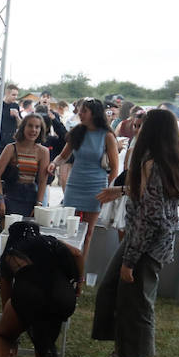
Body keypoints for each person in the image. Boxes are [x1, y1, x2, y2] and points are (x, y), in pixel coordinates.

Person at [92, 107, 179, 357]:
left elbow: (151, 215)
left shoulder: (154, 163)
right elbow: (151, 197)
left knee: (137, 302)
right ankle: (125, 351)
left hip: (147, 243)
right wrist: (122, 190)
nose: (138, 127)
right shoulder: (162, 158)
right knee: (111, 289)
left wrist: (130, 259)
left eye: (144, 124)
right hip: (143, 239)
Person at [0, 221, 84, 357]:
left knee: (1, 335)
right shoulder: (50, 241)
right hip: (62, 298)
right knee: (44, 325)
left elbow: (8, 299)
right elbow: (77, 253)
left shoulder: (10, 254)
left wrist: (12, 334)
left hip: (29, 295)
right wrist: (79, 283)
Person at [57, 98, 119, 261]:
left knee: (88, 231)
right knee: (68, 227)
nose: (80, 114)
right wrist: (53, 164)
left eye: (84, 111)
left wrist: (108, 191)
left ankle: (80, 270)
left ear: (94, 113)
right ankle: (66, 264)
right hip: (74, 184)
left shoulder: (107, 135)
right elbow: (63, 156)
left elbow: (114, 168)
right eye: (79, 111)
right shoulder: (77, 131)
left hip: (96, 187)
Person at [0, 113, 51, 218]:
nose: (33, 130)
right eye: (30, 125)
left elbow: (43, 180)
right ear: (23, 127)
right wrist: (0, 200)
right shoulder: (11, 148)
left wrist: (39, 204)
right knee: (8, 232)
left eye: (37, 127)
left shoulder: (43, 151)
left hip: (31, 197)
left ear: (41, 130)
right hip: (11, 195)